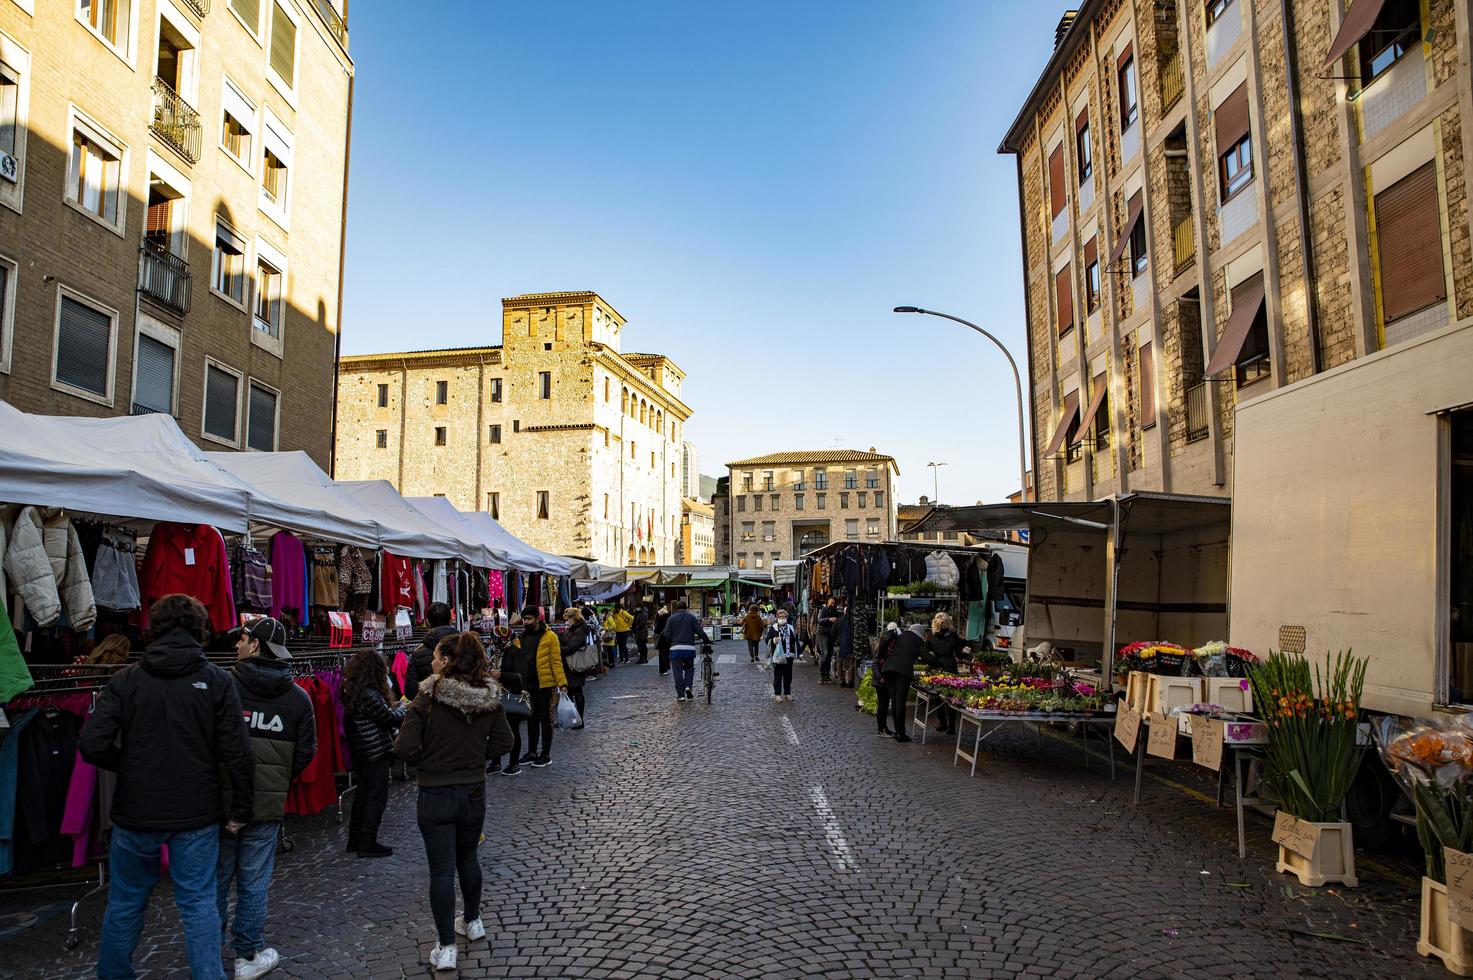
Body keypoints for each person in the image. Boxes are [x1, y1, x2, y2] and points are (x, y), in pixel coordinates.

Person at [79, 594, 254, 980]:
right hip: (194, 812)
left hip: (136, 811)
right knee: (198, 903)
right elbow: (237, 753)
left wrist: (130, 765)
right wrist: (241, 809)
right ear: (199, 631)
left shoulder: (127, 680)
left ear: (153, 630)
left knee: (125, 902)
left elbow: (92, 743)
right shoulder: (215, 680)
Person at [396, 632, 514, 973]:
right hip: (474, 789)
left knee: (442, 869)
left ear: (448, 660)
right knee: (468, 857)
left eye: (436, 656)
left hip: (435, 791)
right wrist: (477, 758)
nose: (432, 661)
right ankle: (473, 921)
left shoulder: (428, 696)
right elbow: (504, 741)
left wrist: (427, 760)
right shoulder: (489, 698)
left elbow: (404, 747)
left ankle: (446, 945)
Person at [216, 617, 315, 979]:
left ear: (255, 645)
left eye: (241, 638)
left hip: (222, 802)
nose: (235, 645)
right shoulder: (298, 697)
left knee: (217, 879)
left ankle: (209, 954)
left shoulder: (224, 686)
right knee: (254, 882)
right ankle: (247, 954)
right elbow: (306, 752)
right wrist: (277, 779)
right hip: (267, 804)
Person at [342, 649, 404, 857]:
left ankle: (356, 840)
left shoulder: (353, 690)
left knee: (363, 795)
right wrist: (406, 708)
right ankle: (367, 842)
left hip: (362, 750)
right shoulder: (369, 693)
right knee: (375, 797)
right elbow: (388, 718)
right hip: (373, 751)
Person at [518, 606, 567, 767]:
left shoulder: (550, 636)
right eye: (524, 619)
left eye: (529, 619)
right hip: (527, 684)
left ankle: (545, 754)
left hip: (545, 684)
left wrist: (562, 683)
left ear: (537, 619)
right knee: (531, 719)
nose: (525, 622)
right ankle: (532, 752)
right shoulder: (522, 637)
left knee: (545, 719)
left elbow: (555, 661)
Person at [882, 623, 927, 743]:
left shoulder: (900, 636)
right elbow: (926, 657)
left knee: (895, 702)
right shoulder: (918, 640)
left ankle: (898, 731)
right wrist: (939, 663)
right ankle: (900, 733)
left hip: (888, 670)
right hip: (903, 672)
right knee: (900, 703)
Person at [661, 600, 710, 702]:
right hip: (688, 648)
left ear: (676, 608)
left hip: (675, 649)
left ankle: (680, 695)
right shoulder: (691, 617)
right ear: (686, 608)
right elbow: (699, 631)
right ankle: (688, 687)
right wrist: (707, 640)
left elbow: (666, 634)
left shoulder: (671, 619)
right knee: (689, 669)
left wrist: (671, 641)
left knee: (677, 672)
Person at [923, 612, 964, 735]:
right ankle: (951, 726)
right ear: (949, 623)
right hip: (950, 667)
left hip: (936, 667)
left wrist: (932, 660)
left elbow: (925, 651)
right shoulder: (953, 636)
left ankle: (942, 723)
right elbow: (959, 654)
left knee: (938, 696)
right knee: (951, 698)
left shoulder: (931, 636)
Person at [406, 602, 457, 700]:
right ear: (450, 620)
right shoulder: (466, 647)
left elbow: (411, 692)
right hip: (462, 710)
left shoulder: (418, 654)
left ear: (428, 622)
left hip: (428, 711)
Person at [560, 607, 591, 721]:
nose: (566, 621)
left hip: (574, 664)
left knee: (577, 691)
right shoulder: (575, 628)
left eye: (568, 618)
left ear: (573, 617)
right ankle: (573, 719)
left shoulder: (579, 629)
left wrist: (559, 650)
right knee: (573, 691)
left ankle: (578, 719)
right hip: (570, 664)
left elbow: (572, 646)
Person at [872, 622, 902, 737]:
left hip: (883, 679)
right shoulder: (882, 646)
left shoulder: (885, 644)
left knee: (883, 705)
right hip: (881, 680)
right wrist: (881, 678)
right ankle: (881, 729)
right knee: (883, 705)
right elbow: (875, 665)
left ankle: (883, 728)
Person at [765, 610, 798, 702]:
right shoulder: (773, 628)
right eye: (780, 617)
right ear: (777, 617)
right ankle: (777, 695)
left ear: (786, 618)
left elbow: (795, 640)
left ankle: (787, 694)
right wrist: (774, 640)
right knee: (778, 675)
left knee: (788, 676)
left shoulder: (791, 627)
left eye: (784, 617)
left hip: (789, 655)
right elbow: (767, 639)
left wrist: (797, 653)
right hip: (778, 656)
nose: (782, 618)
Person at [816, 598, 839, 683]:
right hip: (822, 635)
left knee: (829, 656)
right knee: (824, 653)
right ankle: (821, 675)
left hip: (831, 635)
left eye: (834, 603)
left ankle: (826, 676)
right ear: (827, 602)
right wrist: (828, 619)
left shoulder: (835, 611)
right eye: (831, 603)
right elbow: (819, 620)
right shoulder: (823, 610)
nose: (832, 604)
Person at [654, 605, 672, 675]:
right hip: (668, 639)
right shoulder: (669, 620)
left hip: (661, 639)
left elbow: (656, 630)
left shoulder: (660, 621)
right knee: (667, 653)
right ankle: (667, 667)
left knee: (662, 655)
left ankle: (663, 669)